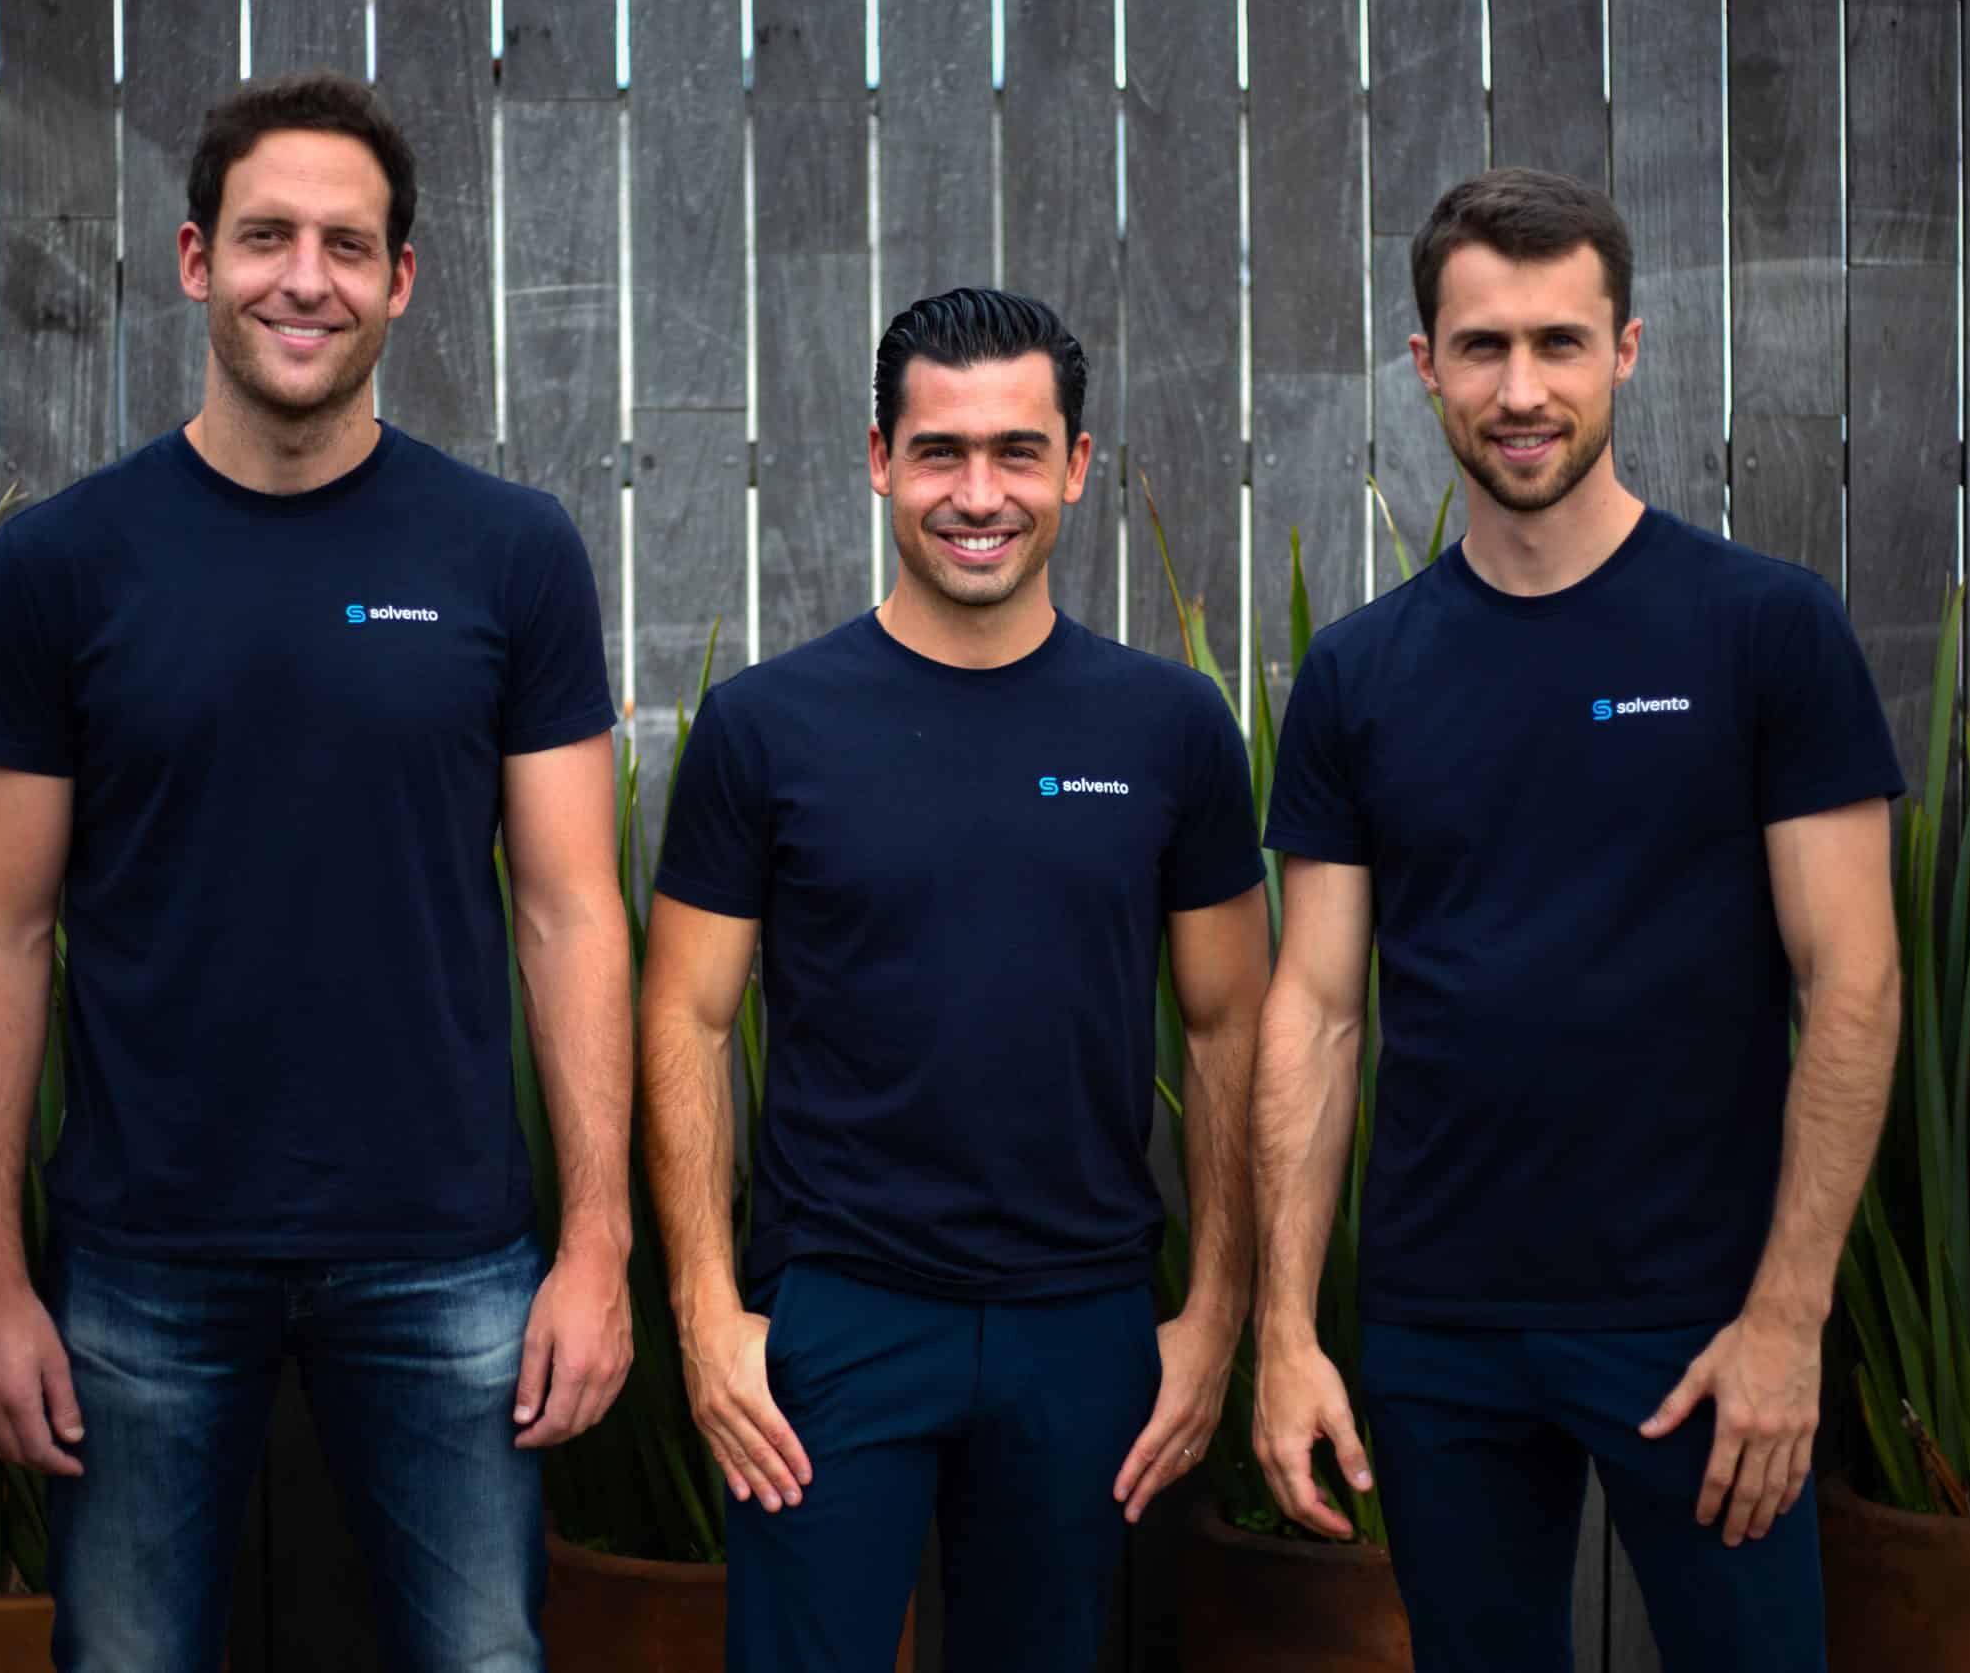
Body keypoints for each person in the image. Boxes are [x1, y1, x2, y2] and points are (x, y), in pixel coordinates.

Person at [0, 72, 634, 1673]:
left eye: (346, 244)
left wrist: (597, 1247)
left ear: (402, 279)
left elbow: (571, 910)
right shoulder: (62, 565)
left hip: (448, 1250)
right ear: (197, 259)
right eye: (266, 237)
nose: (303, 278)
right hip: (143, 1257)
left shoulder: (511, 552)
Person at [1248, 167, 1903, 1672]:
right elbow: (1317, 1011)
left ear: (1626, 350)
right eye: (1483, 347)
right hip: (1439, 1329)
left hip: (1705, 1323)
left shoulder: (1764, 629)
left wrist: (1788, 1316)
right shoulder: (1359, 675)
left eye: (1560, 342)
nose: (1522, 390)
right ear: (1427, 364)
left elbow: (1853, 982)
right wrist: (1287, 1334)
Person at [637, 288, 1271, 1672]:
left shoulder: (1169, 728)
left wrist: (1216, 1315)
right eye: (940, 452)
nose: (978, 495)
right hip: (835, 1318)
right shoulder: (765, 728)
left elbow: (1233, 1025)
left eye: (1017, 451)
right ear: (881, 460)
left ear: (1076, 465)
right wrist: (706, 1316)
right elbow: (684, 1014)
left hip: (1082, 1323)